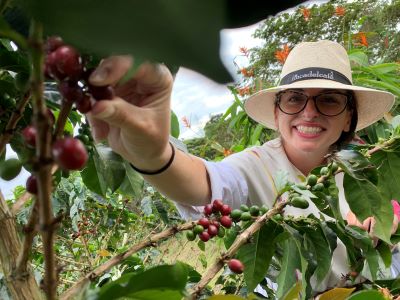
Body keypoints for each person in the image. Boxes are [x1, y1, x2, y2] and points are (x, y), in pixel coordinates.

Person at [86, 40, 398, 291]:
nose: (309, 112)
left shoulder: (362, 163)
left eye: (329, 100)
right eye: (294, 99)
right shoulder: (255, 165)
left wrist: (389, 216)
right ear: (276, 113)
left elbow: (392, 202)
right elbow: (208, 183)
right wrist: (154, 157)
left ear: (348, 118)